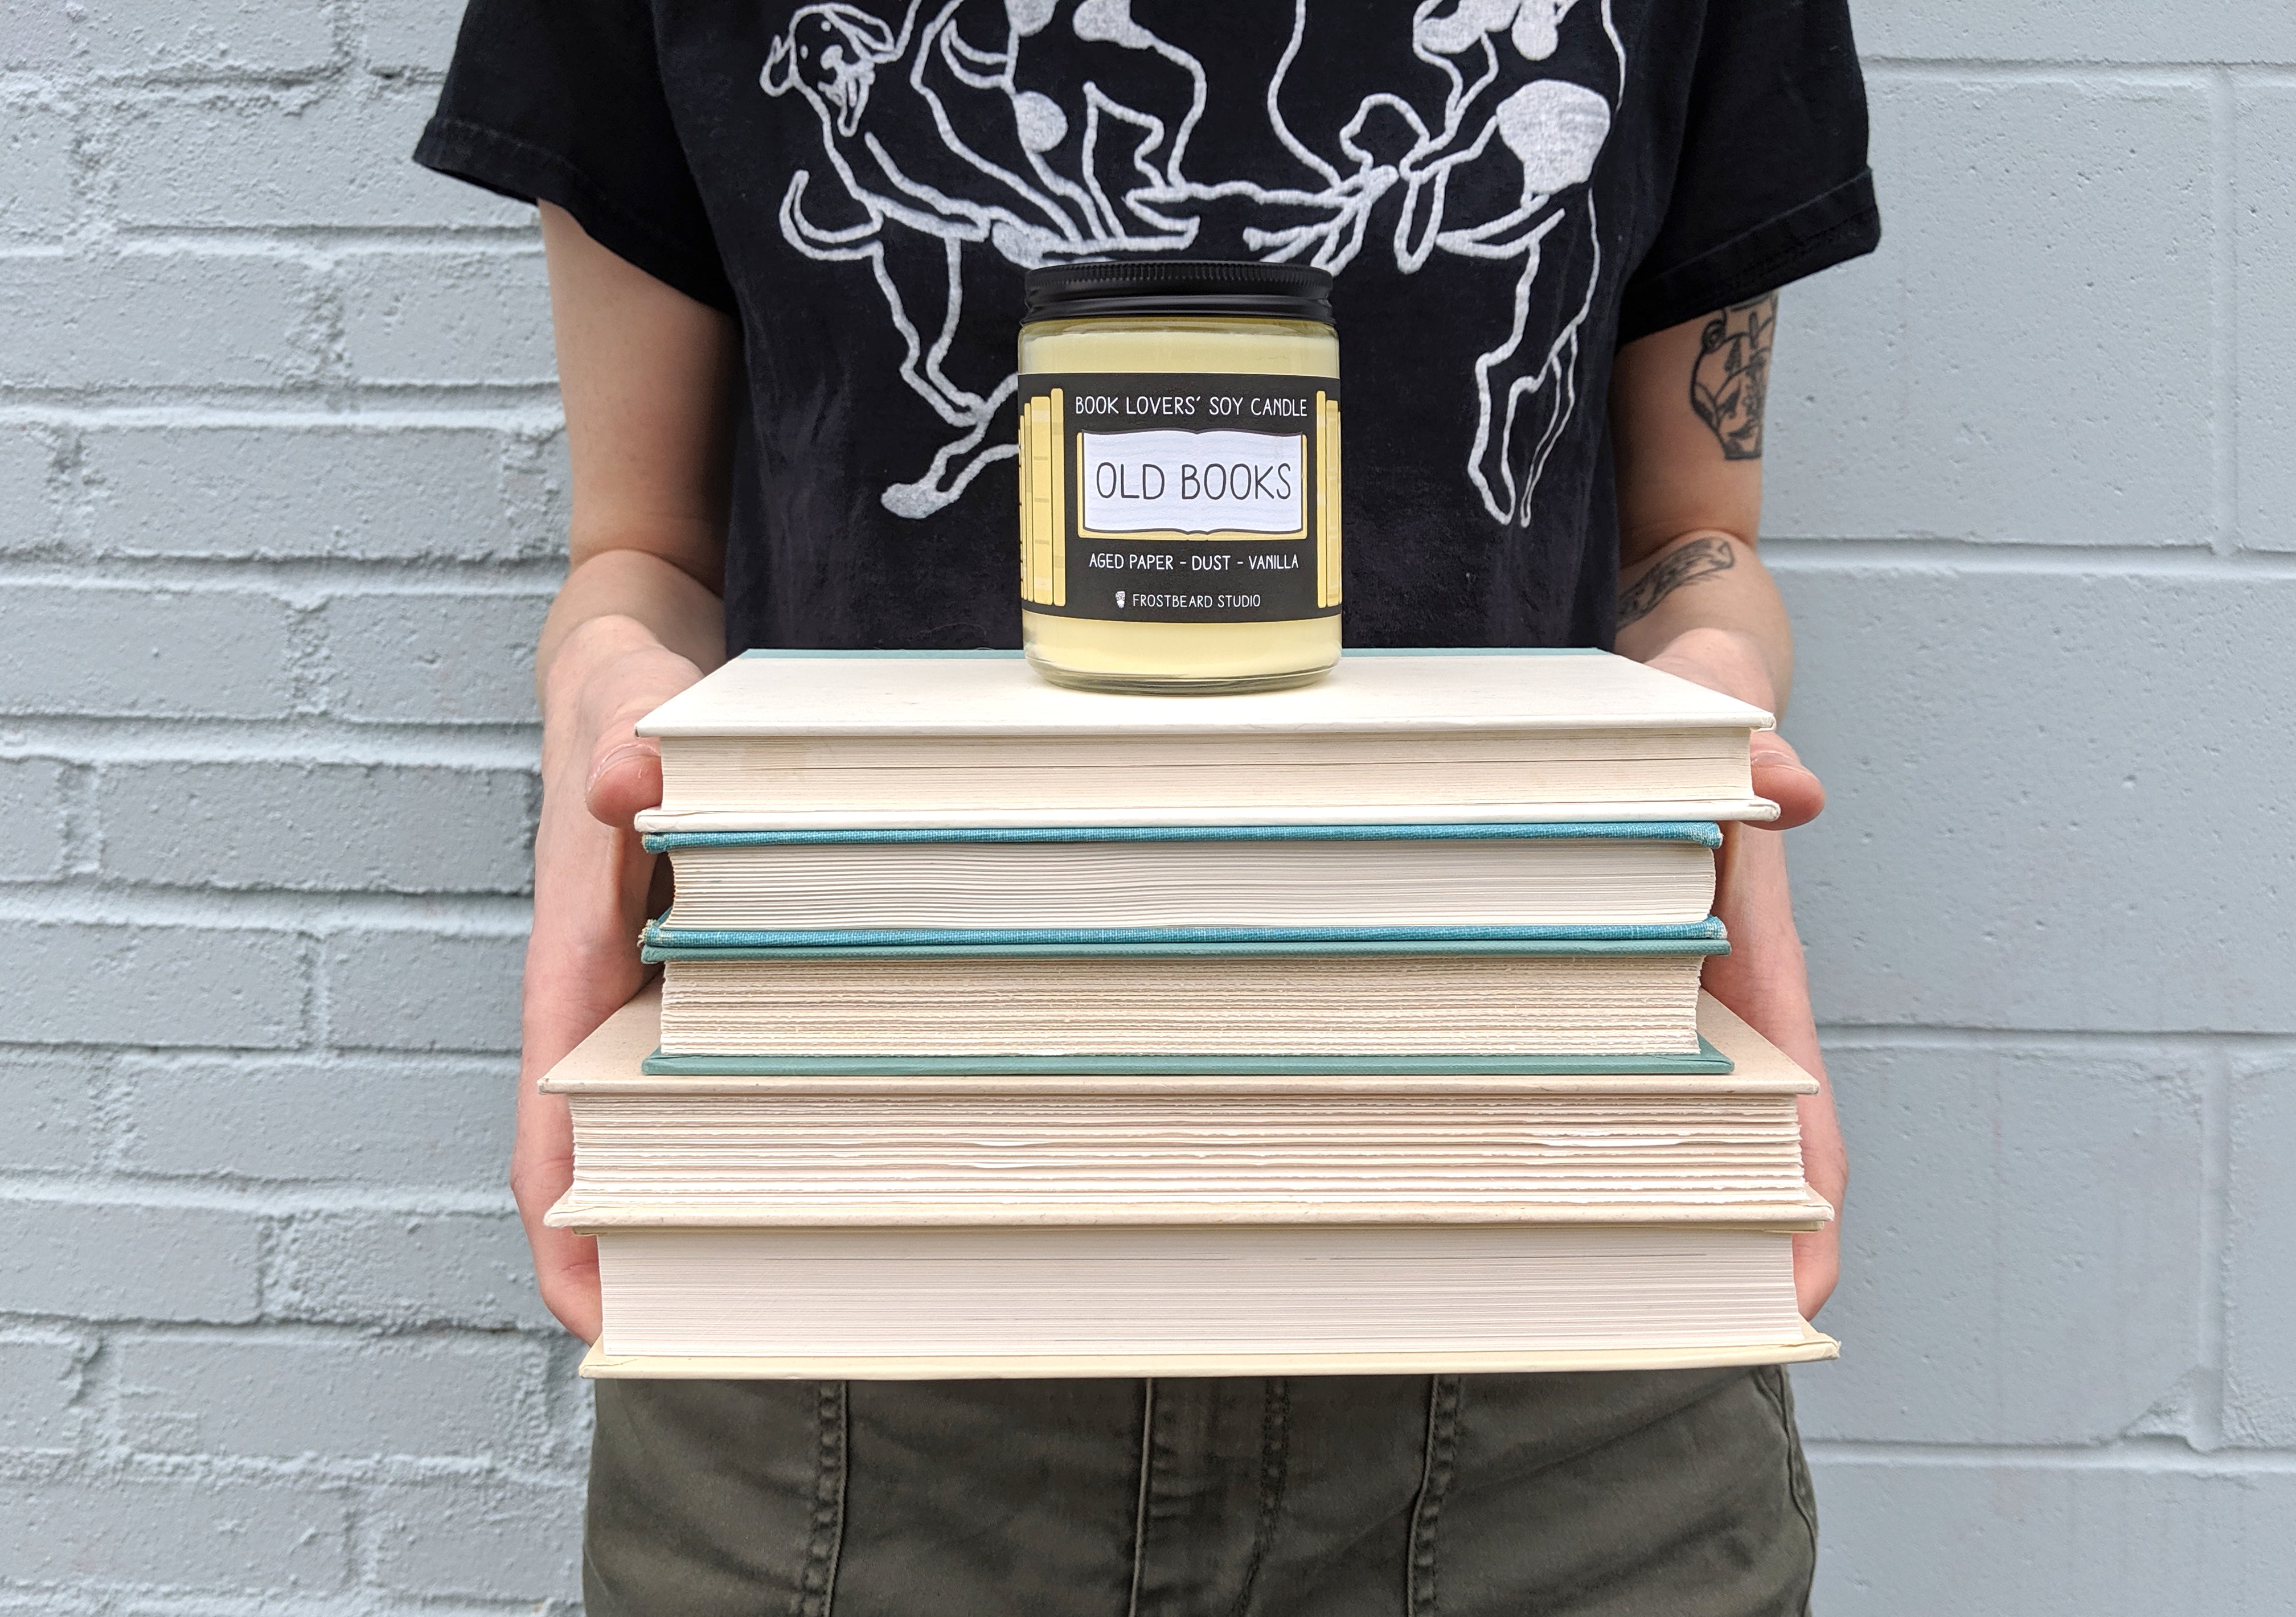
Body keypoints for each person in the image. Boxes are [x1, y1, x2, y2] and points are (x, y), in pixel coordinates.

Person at [416, 2, 1877, 1611]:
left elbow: (1691, 540)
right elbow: (644, 553)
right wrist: (601, 699)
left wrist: (1713, 700)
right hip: (849, 1287)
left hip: (1545, 1289)